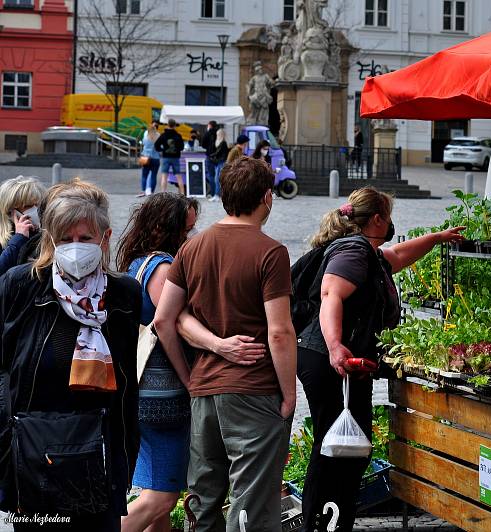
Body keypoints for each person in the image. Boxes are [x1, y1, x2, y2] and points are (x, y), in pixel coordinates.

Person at [297, 187, 463, 531]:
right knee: (337, 450)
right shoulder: (354, 251)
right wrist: (335, 346)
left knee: (347, 448)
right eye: (387, 217)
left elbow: (398, 255)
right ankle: (321, 524)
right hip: (330, 361)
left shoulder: (369, 253)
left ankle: (329, 522)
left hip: (338, 360)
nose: (390, 224)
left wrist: (437, 237)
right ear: (376, 219)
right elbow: (330, 294)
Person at [153, 157, 296, 531]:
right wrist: (289, 393)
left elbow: (164, 320)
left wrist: (189, 378)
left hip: (204, 389)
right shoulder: (270, 252)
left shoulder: (191, 249)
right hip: (255, 389)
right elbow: (279, 331)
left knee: (202, 499)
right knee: (252, 503)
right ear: (267, 197)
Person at [0, 183, 141, 530]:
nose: (75, 247)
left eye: (85, 237)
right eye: (65, 239)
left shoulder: (124, 295)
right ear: (50, 240)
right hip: (33, 460)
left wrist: (124, 460)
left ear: (104, 239)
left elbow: (127, 387)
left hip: (97, 460)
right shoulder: (21, 285)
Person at [117, 193, 199, 532]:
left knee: (158, 503)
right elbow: (166, 323)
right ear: (169, 230)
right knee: (162, 497)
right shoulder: (163, 267)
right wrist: (187, 376)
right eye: (187, 230)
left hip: (141, 390)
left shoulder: (138, 263)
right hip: (162, 394)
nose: (191, 237)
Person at [0, 175, 46, 276]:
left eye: (38, 205)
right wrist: (19, 238)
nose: (36, 210)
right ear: (10, 212)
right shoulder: (5, 238)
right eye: (28, 206)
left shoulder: (44, 232)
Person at [155, 119, 185, 195]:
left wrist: (162, 150)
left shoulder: (163, 135)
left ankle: (163, 194)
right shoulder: (178, 135)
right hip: (175, 158)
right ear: (175, 126)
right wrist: (176, 150)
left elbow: (156, 145)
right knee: (178, 176)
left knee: (164, 176)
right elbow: (182, 147)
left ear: (168, 125)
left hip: (166, 157)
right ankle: (182, 193)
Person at [207, 128, 229, 203]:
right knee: (217, 179)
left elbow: (219, 153)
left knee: (217, 179)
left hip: (221, 162)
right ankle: (217, 195)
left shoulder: (223, 143)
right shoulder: (221, 142)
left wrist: (212, 156)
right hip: (219, 162)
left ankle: (217, 195)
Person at [140, 121, 161, 197]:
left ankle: (143, 191)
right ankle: (151, 191)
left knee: (144, 175)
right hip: (155, 158)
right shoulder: (158, 135)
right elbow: (160, 147)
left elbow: (143, 143)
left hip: (145, 157)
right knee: (153, 175)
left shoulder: (146, 135)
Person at [201, 121, 219, 194]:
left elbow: (203, 145)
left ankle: (213, 193)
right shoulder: (218, 133)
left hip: (209, 156)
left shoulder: (207, 133)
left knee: (211, 175)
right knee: (218, 175)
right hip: (218, 157)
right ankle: (218, 193)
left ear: (210, 125)